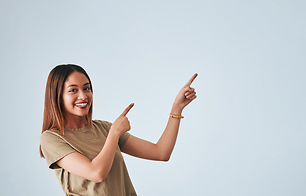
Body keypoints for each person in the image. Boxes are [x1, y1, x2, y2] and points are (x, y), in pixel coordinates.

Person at [39, 64, 197, 196]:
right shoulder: (52, 138)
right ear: (57, 96)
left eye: (86, 88)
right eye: (73, 90)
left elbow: (161, 152)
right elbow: (96, 173)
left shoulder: (104, 128)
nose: (83, 96)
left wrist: (177, 109)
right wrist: (114, 133)